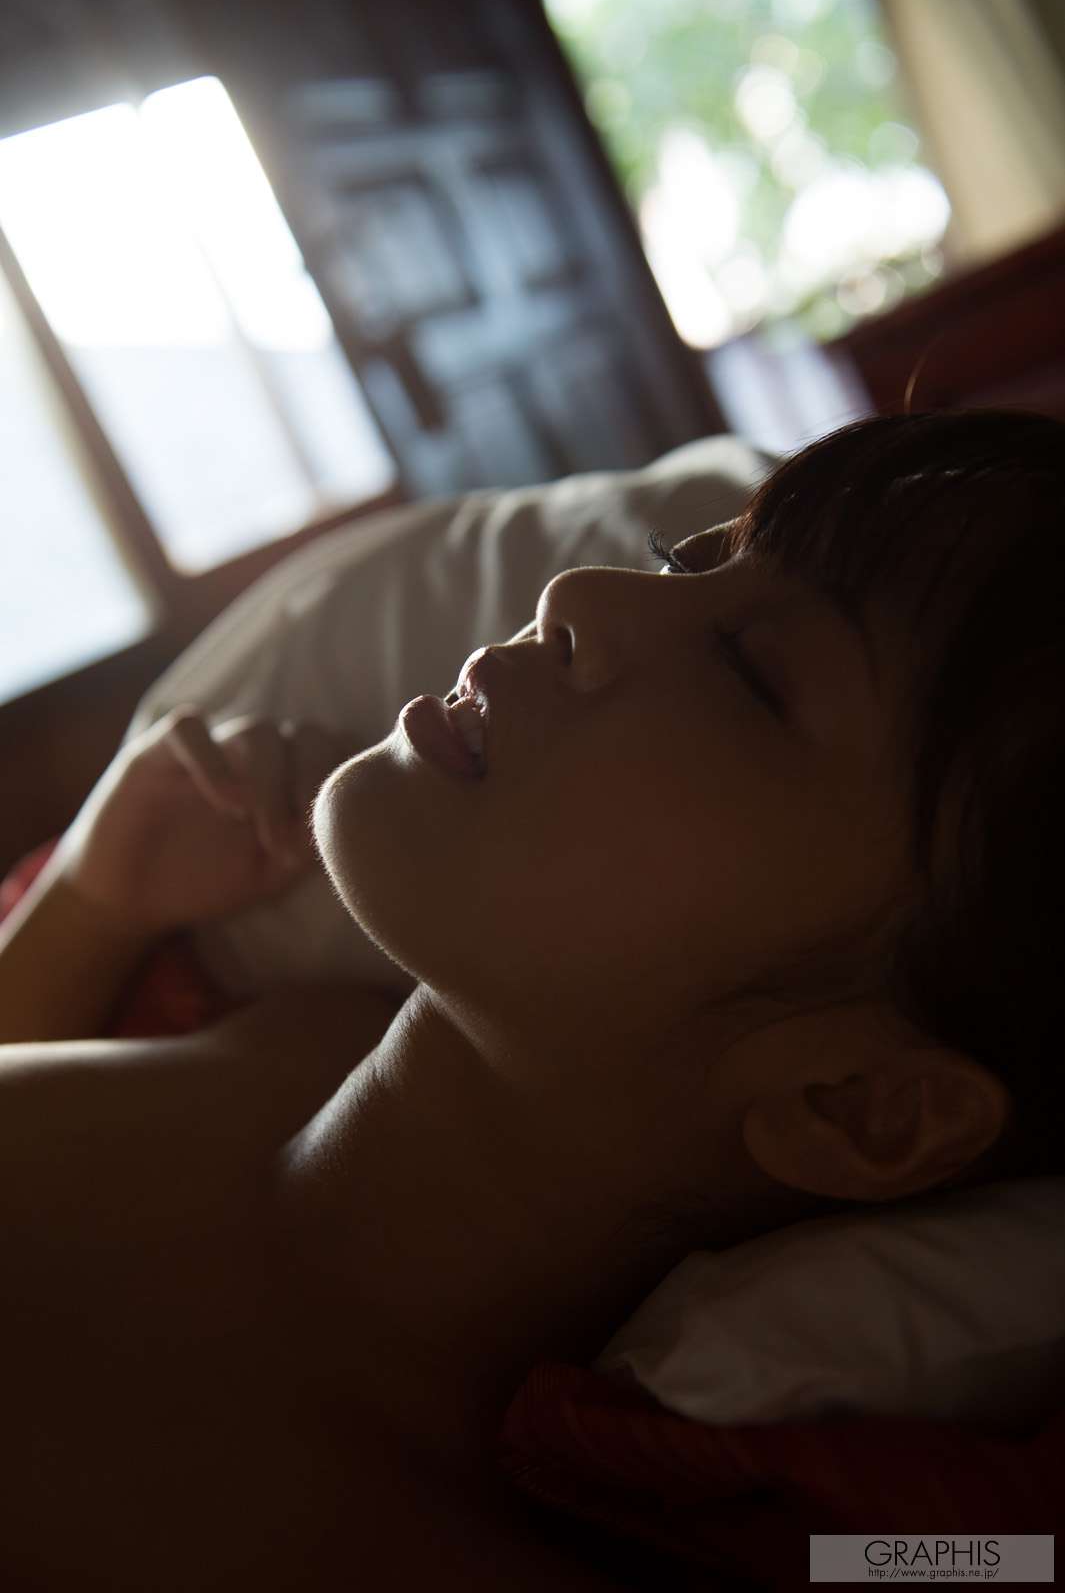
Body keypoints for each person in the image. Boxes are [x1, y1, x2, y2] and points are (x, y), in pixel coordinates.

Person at [0, 408, 1061, 1591]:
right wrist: (91, 903)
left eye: (752, 677)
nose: (581, 594)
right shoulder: (296, 1027)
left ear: (865, 1104)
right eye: (684, 562)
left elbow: (986, 1562)